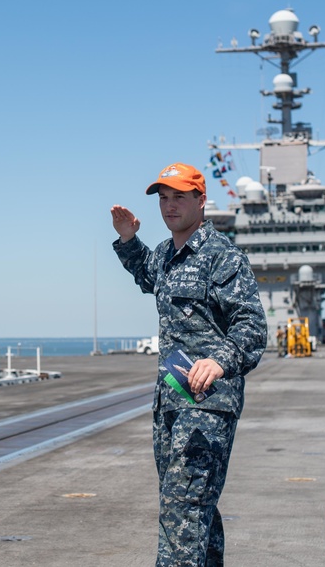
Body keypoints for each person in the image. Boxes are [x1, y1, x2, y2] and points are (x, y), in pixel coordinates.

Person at [111, 162, 267, 566]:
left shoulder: (222, 257)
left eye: (179, 197)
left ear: (201, 201)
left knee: (183, 511)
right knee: (194, 510)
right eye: (163, 198)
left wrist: (220, 360)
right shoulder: (166, 254)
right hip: (172, 399)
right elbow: (148, 275)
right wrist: (130, 239)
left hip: (208, 405)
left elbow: (251, 326)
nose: (169, 206)